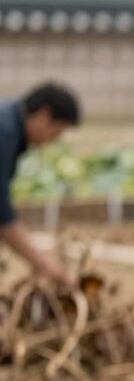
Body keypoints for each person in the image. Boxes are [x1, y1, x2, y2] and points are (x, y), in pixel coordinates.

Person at [0, 82, 79, 286]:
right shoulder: (5, 131)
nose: (53, 140)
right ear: (44, 116)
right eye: (57, 131)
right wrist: (41, 261)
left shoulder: (8, 122)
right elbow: (2, 213)